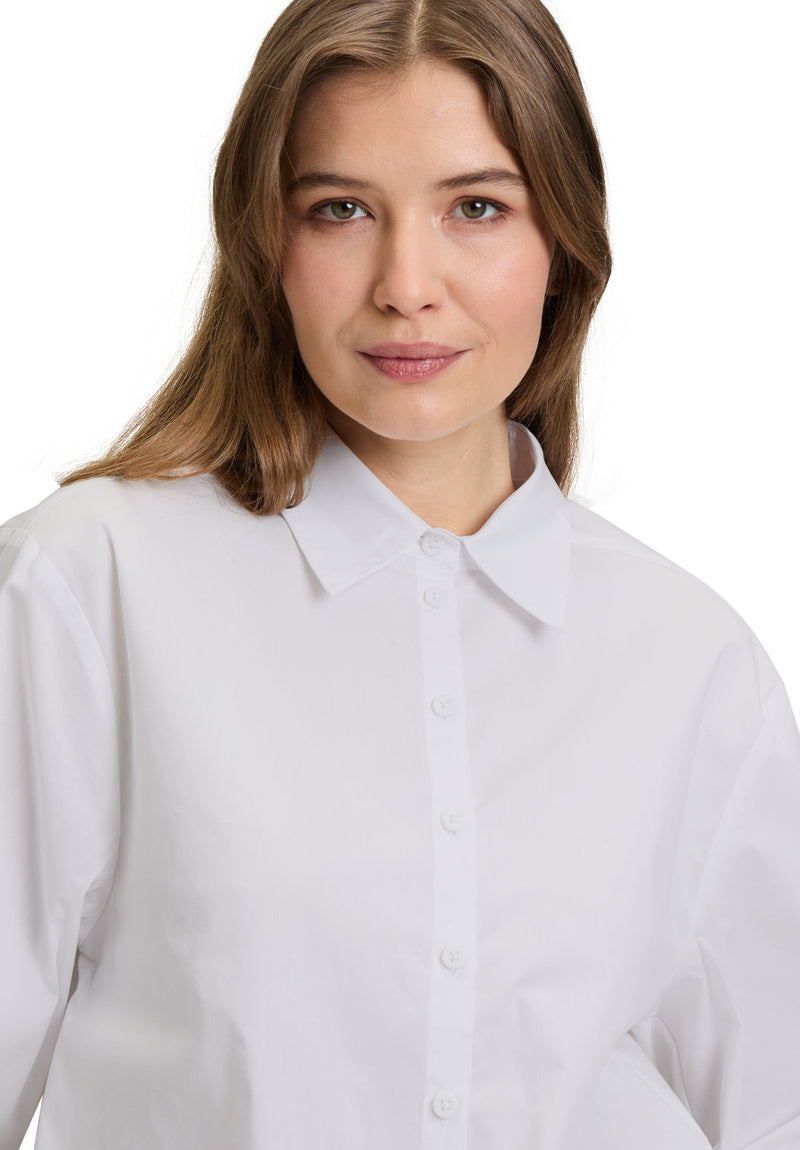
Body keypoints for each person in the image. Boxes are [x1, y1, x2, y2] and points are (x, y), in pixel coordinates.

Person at [1, 0, 798, 1147]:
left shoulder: (689, 661)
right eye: (340, 209)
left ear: (562, 243)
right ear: (264, 241)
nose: (405, 283)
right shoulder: (89, 591)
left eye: (476, 207)